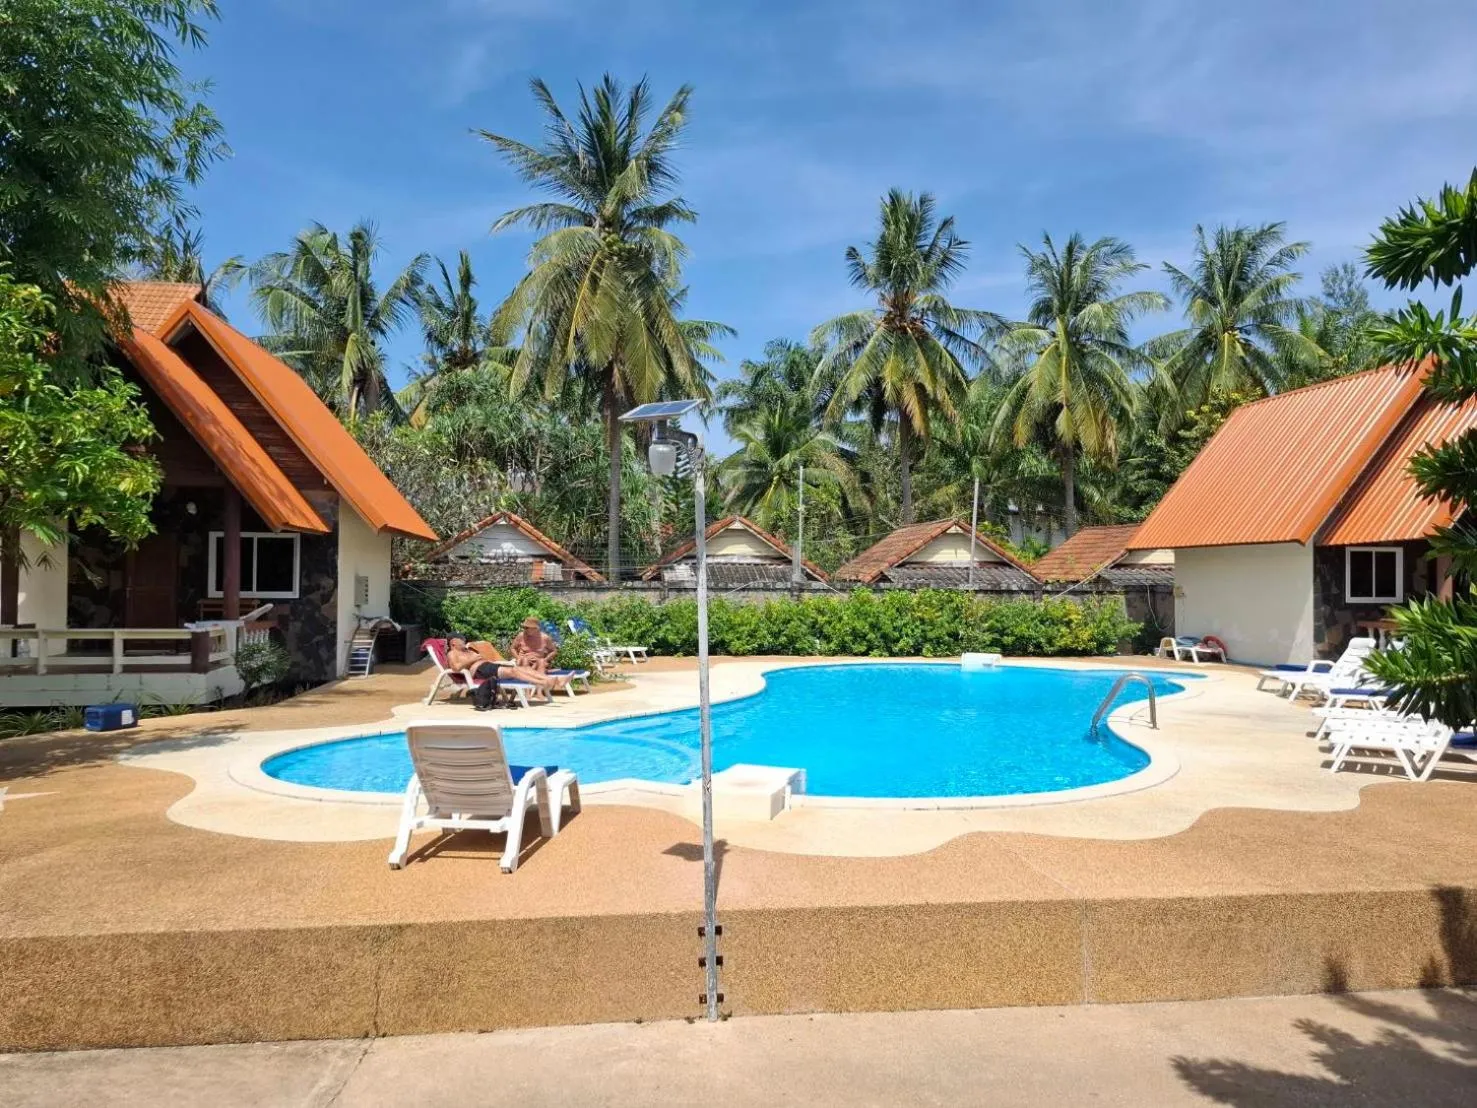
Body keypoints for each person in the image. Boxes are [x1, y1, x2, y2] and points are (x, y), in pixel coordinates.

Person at [445, 637, 563, 710]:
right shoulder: (452, 653)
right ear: (453, 643)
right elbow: (456, 668)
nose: (463, 641)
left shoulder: (467, 650)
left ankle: (549, 680)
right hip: (481, 670)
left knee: (520, 669)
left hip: (488, 666)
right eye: (460, 640)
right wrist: (474, 658)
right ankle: (546, 682)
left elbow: (479, 658)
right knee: (515, 671)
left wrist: (476, 656)